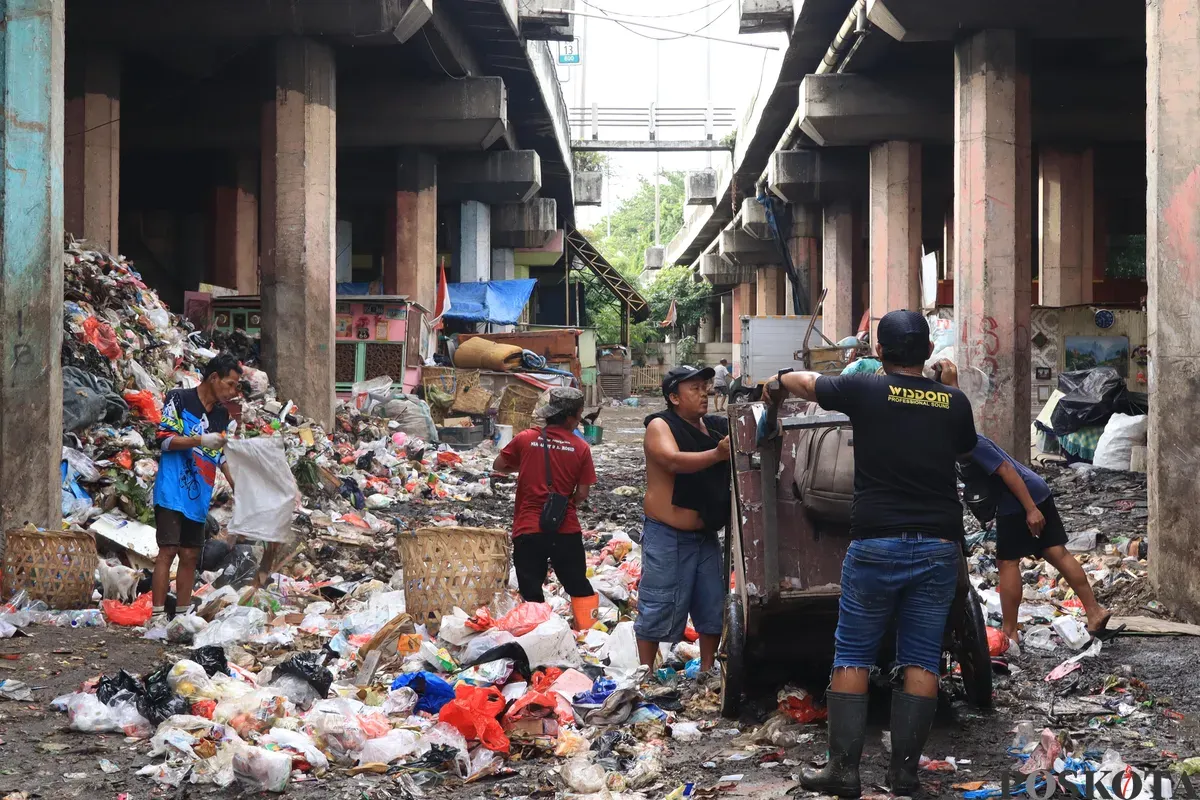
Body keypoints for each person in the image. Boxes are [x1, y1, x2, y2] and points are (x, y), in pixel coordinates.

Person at [767, 310, 976, 798]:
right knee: (922, 658)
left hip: (876, 543)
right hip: (938, 544)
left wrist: (776, 381)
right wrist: (949, 386)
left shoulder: (863, 389)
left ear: (879, 352)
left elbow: (805, 381)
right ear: (927, 352)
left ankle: (843, 771)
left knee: (854, 653)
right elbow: (965, 451)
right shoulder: (955, 402)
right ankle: (904, 775)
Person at [961, 433, 1113, 650]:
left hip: (1019, 500)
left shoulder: (969, 442)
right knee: (1055, 552)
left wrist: (1031, 509)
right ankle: (1094, 612)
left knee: (1007, 562)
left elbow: (1006, 470)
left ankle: (1010, 632)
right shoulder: (960, 440)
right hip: (1034, 491)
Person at [639, 365, 730, 675]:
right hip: (667, 533)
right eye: (694, 388)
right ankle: (645, 674)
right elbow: (672, 461)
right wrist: (717, 455)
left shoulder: (716, 428)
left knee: (711, 605)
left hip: (704, 535)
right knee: (658, 602)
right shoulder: (660, 426)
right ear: (674, 397)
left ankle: (707, 669)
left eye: (705, 386)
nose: (704, 392)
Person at [492, 387, 600, 630]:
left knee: (531, 589)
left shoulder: (526, 439)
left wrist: (526, 467)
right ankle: (590, 633)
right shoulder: (581, 448)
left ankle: (537, 634)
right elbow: (582, 493)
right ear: (571, 417)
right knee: (578, 585)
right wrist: (564, 504)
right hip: (565, 527)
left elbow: (499, 465)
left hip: (528, 528)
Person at [150, 353, 243, 628]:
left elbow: (222, 454)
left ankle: (181, 616)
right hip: (172, 487)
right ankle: (156, 617)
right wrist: (200, 439)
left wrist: (237, 483)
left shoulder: (221, 415)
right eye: (229, 384)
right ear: (214, 378)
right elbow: (164, 440)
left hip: (198, 493)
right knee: (167, 549)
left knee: (190, 554)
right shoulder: (179, 399)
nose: (231, 391)